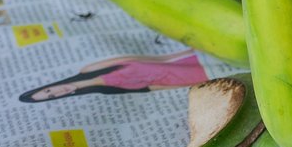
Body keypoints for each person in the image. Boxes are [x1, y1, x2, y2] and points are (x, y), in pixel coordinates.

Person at [19, 49, 208, 103]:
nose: (57, 92)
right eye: (51, 97)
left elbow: (130, 57)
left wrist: (176, 55)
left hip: (179, 61)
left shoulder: (88, 69)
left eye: (49, 90)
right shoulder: (106, 92)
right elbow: (152, 88)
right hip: (182, 79)